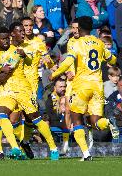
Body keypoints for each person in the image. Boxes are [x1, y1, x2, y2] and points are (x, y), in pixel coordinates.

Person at [49, 16, 117, 161]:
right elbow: (113, 59)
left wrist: (55, 73)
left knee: (76, 118)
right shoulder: (99, 43)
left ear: (79, 29)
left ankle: (86, 154)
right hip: (98, 86)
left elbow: (68, 61)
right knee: (96, 122)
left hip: (82, 86)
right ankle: (109, 122)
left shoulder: (77, 43)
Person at [0, 25, 59, 160]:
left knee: (32, 118)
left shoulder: (21, 49)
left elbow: (12, 67)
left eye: (25, 29)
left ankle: (47, 146)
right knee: (1, 116)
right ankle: (7, 150)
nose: (24, 33)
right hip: (7, 89)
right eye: (20, 30)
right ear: (12, 34)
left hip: (25, 88)